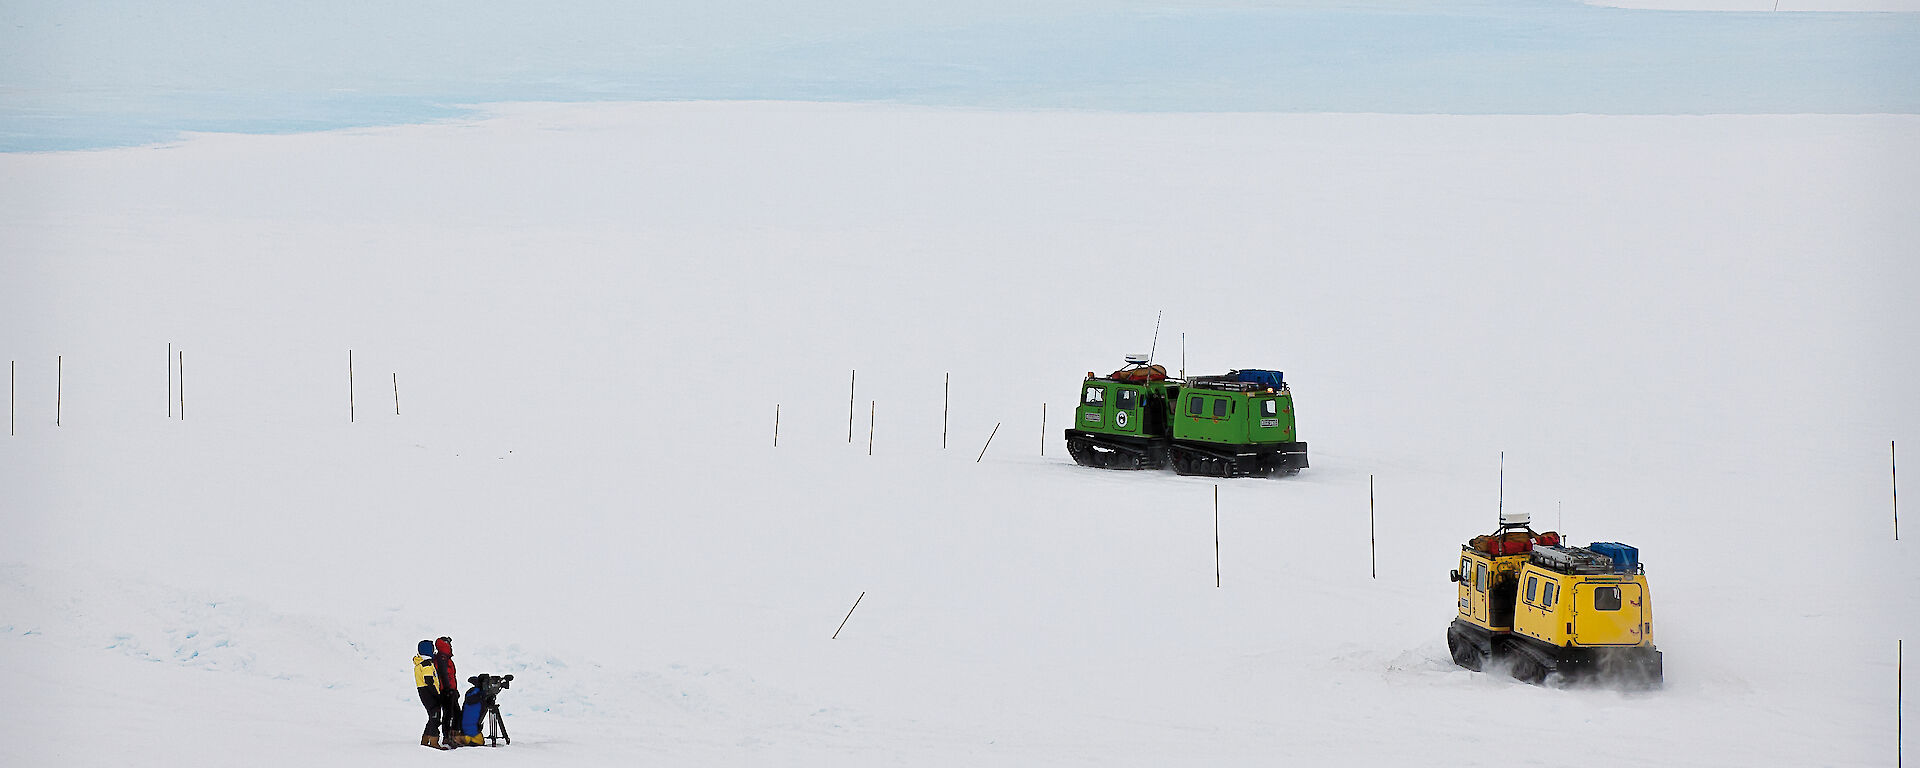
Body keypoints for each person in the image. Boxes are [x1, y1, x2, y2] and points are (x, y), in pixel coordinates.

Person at [412, 640, 445, 749]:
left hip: (424, 692)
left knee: (432, 716)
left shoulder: (421, 663)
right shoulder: (426, 664)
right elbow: (429, 680)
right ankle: (434, 741)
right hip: (428, 692)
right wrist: (437, 696)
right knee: (435, 716)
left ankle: (425, 740)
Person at [431, 637, 461, 747]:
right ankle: (448, 737)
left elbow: (450, 676)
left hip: (449, 690)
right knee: (449, 714)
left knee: (455, 713)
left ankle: (453, 736)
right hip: (446, 691)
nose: (451, 646)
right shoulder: (442, 657)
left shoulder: (445, 657)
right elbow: (443, 674)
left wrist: (454, 690)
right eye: (449, 644)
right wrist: (449, 689)